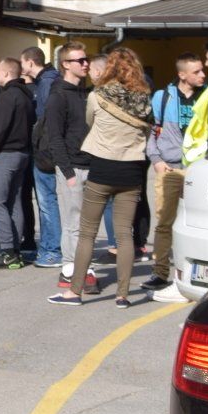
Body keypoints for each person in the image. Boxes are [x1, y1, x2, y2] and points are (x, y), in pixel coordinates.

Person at [54, 45, 151, 308]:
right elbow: (147, 131)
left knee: (87, 233)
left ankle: (74, 292)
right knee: (125, 234)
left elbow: (90, 122)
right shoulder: (143, 99)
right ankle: (123, 295)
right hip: (131, 170)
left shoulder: (97, 96)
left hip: (102, 169)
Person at [140, 53, 205, 302]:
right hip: (169, 168)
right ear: (182, 75)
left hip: (196, 169)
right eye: (196, 71)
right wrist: (157, 161)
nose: (202, 75)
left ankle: (193, 272)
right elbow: (151, 130)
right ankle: (160, 272)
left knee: (195, 223)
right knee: (165, 222)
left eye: (202, 70)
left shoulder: (206, 96)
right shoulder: (163, 97)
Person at [36, 40, 96, 295]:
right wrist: (68, 173)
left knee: (87, 223)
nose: (85, 64)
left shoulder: (85, 94)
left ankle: (84, 266)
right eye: (80, 60)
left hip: (91, 166)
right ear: (65, 64)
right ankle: (71, 268)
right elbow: (54, 137)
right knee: (73, 222)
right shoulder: (57, 96)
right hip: (71, 167)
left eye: (86, 59)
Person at [0, 55, 32, 269]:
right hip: (22, 154)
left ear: (7, 73)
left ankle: (8, 251)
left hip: (4, 154)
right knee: (13, 203)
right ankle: (15, 251)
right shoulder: (26, 95)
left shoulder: (8, 96)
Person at [21, 47, 62, 267]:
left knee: (47, 202)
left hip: (45, 152)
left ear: (30, 62)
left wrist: (39, 145)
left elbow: (44, 121)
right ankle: (48, 248)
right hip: (49, 150)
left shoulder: (46, 83)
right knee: (48, 201)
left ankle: (52, 250)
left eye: (23, 62)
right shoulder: (50, 80)